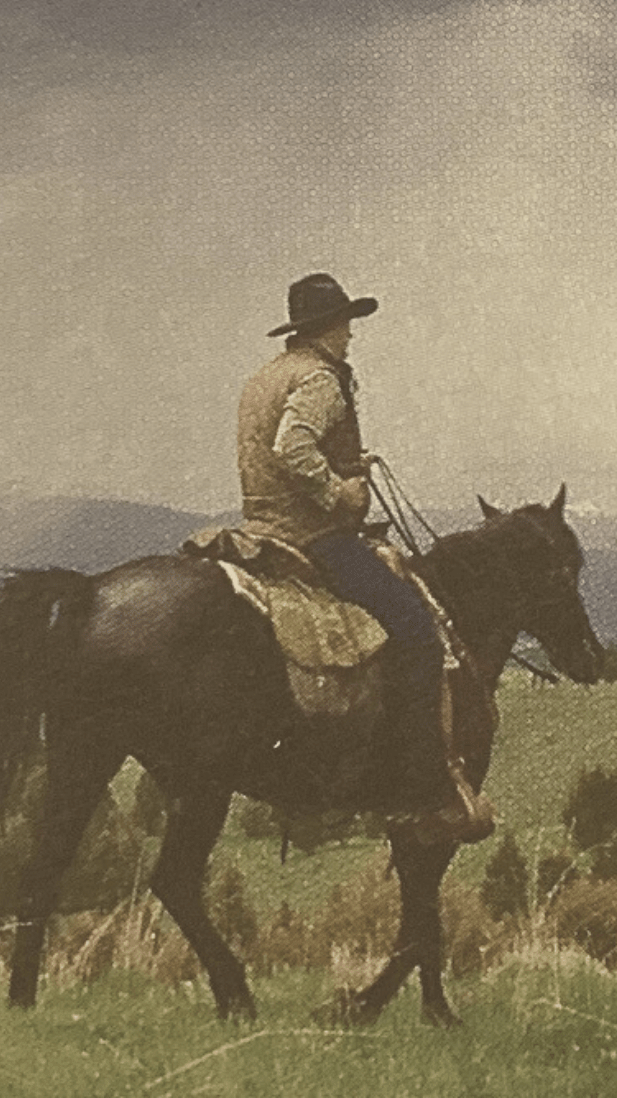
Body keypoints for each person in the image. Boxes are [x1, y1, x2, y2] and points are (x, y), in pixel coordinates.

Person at [236, 272, 494, 843]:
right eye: (346, 323)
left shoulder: (265, 378)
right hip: (314, 536)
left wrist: (351, 459)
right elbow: (291, 445)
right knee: (415, 629)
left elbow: (279, 446)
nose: (351, 335)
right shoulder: (322, 378)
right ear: (327, 327)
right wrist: (340, 490)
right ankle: (417, 784)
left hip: (260, 528)